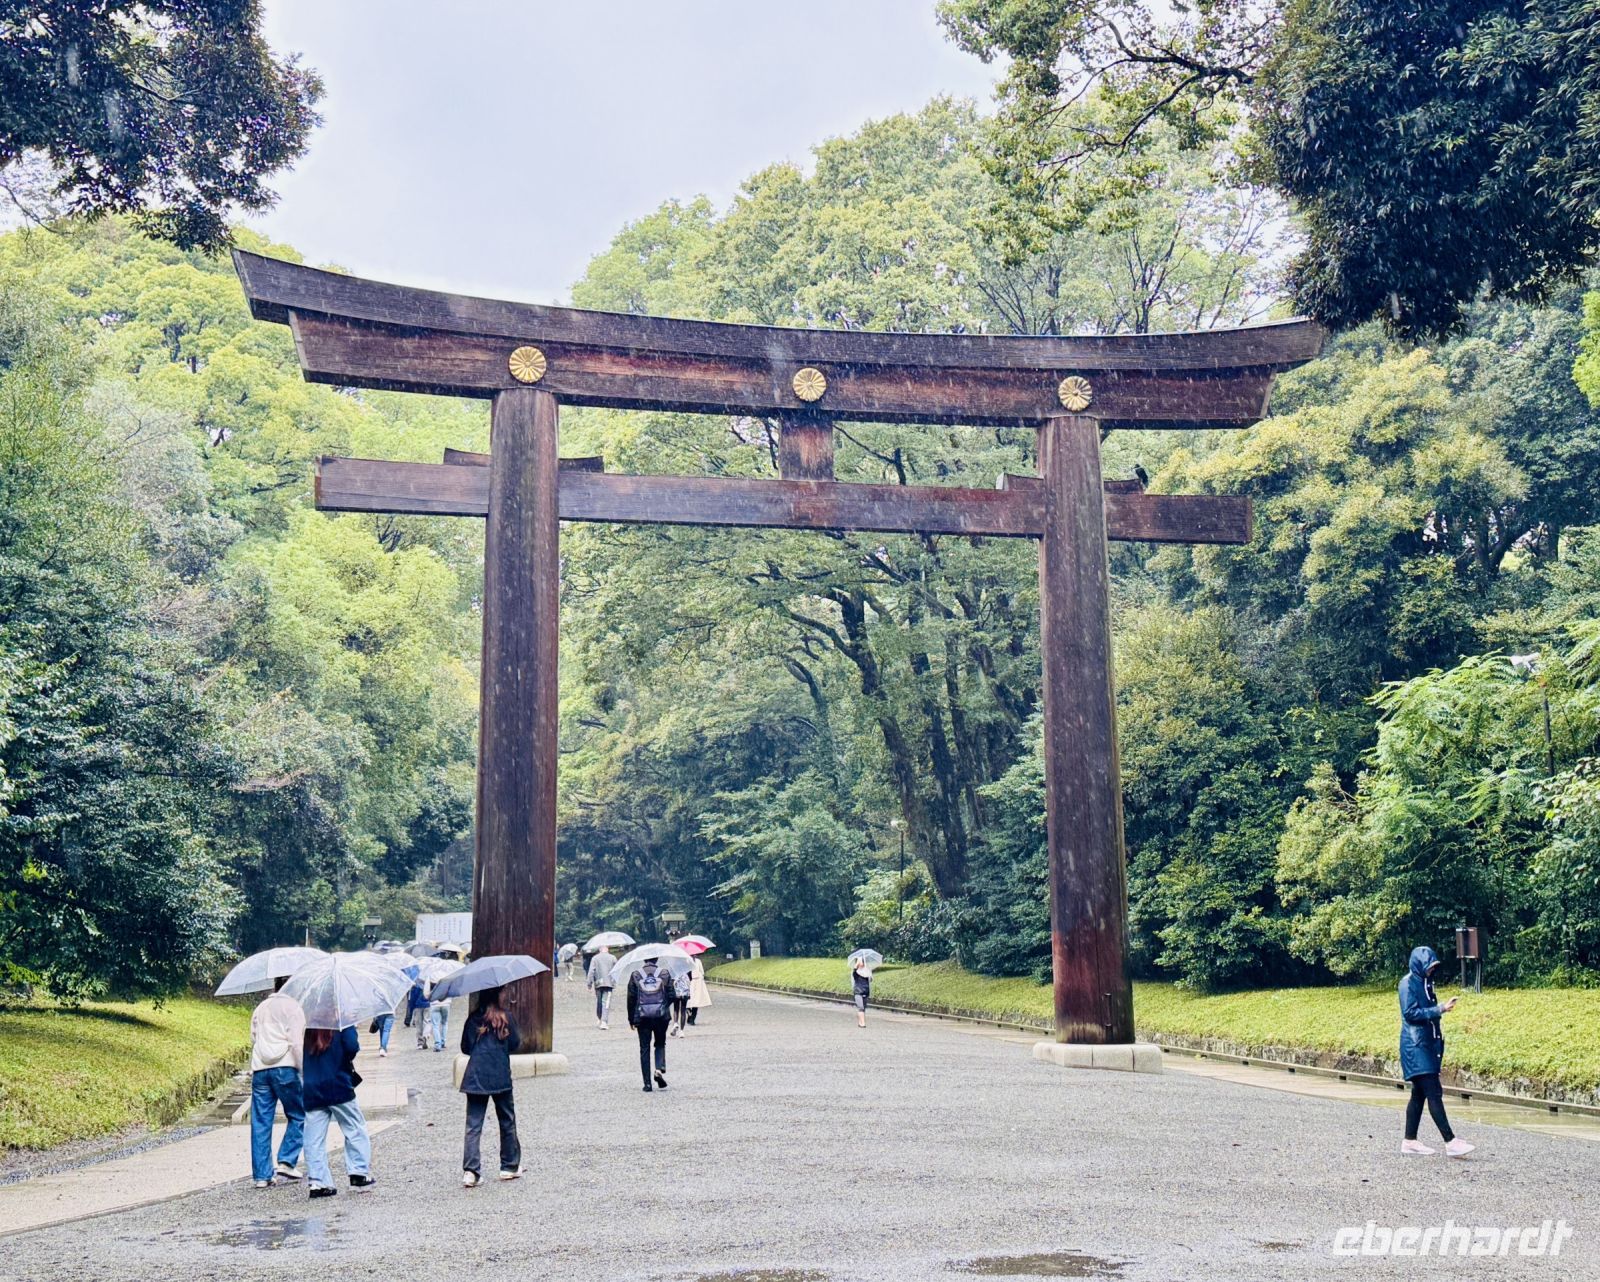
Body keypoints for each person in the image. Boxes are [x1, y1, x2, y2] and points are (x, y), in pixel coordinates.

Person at [1399, 945, 1473, 1158]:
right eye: (1428, 967)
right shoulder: (1408, 984)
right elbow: (1410, 1013)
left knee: (1419, 1094)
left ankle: (1409, 1140)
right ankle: (1450, 1141)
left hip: (1426, 1045)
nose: (1431, 970)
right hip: (1416, 1046)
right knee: (1433, 1092)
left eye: (1433, 967)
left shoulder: (1426, 984)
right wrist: (1439, 1008)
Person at [301, 1025, 375, 1198]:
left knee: (313, 1138)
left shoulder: (308, 1025)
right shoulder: (341, 1022)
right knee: (354, 1128)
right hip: (338, 1084)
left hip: (312, 1086)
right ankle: (359, 1173)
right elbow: (351, 1046)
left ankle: (319, 1182)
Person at [459, 986, 523, 1187]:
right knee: (507, 1120)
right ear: (498, 995)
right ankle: (509, 1166)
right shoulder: (506, 1017)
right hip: (500, 1074)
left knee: (473, 1125)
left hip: (476, 1075)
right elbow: (515, 1043)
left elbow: (466, 1047)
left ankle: (471, 1171)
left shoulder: (473, 1020)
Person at [248, 976, 306, 1188]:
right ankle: (287, 1160)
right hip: (285, 1067)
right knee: (299, 1113)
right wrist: (303, 1071)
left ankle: (262, 1176)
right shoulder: (293, 1008)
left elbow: (254, 1037)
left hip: (261, 1069)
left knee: (261, 1122)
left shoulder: (261, 1007)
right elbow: (296, 1043)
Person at [627, 957, 673, 1092]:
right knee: (660, 1043)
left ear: (643, 959)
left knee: (644, 1048)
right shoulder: (664, 973)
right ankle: (658, 1069)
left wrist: (631, 1019)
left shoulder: (636, 974)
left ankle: (647, 1084)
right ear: (657, 959)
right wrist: (663, 1006)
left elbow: (631, 999)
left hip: (642, 1017)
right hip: (661, 1017)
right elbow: (672, 994)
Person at [587, 945, 617, 1030]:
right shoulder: (613, 958)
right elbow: (616, 970)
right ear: (607, 949)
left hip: (598, 984)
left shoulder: (595, 958)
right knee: (606, 1003)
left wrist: (589, 983)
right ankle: (604, 1022)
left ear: (600, 950)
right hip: (608, 983)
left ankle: (600, 1018)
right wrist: (614, 982)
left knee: (599, 1002)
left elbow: (591, 971)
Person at [687, 953, 711, 1026]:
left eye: (695, 954)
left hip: (698, 982)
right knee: (688, 1001)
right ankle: (689, 1014)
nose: (694, 955)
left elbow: (702, 971)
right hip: (689, 983)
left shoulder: (698, 961)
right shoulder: (687, 961)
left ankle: (693, 1019)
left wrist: (700, 979)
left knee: (696, 1002)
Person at [669, 965, 691, 1036]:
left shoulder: (672, 966)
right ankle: (681, 1031)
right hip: (685, 990)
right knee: (683, 1010)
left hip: (677, 990)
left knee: (676, 1008)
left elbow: (671, 979)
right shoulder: (687, 966)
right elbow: (690, 978)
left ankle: (675, 1023)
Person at [429, 984, 450, 1052]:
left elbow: (426, 993)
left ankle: (438, 1044)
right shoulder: (447, 976)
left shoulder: (431, 977)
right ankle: (443, 1042)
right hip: (446, 1003)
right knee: (444, 1023)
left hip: (434, 1004)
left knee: (435, 1025)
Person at [852, 957, 871, 1028]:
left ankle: (860, 1022)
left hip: (865, 991)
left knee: (864, 1008)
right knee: (861, 1007)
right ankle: (863, 1023)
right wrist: (856, 964)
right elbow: (854, 973)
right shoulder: (856, 972)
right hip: (858, 991)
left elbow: (870, 979)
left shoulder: (867, 971)